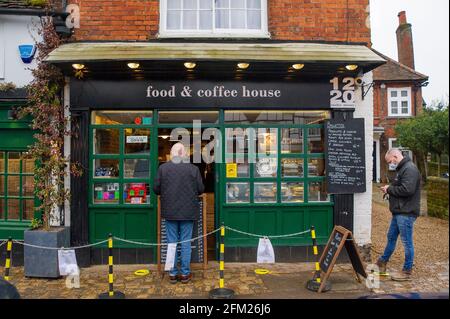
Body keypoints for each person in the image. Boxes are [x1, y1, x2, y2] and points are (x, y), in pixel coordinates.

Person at [153, 143, 204, 284]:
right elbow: (200, 189)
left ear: (172, 153)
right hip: (188, 212)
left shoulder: (163, 168)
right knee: (186, 243)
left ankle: (173, 273)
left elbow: (156, 189)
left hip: (170, 211)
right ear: (184, 154)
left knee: (172, 243)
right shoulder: (193, 169)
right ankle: (185, 274)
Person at [377, 149, 421, 281]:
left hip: (406, 212)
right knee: (391, 237)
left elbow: (407, 189)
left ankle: (407, 271)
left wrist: (389, 189)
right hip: (399, 211)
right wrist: (389, 187)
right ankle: (382, 262)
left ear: (396, 156)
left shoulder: (409, 169)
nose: (391, 163)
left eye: (391, 161)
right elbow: (401, 185)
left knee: (407, 242)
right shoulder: (402, 169)